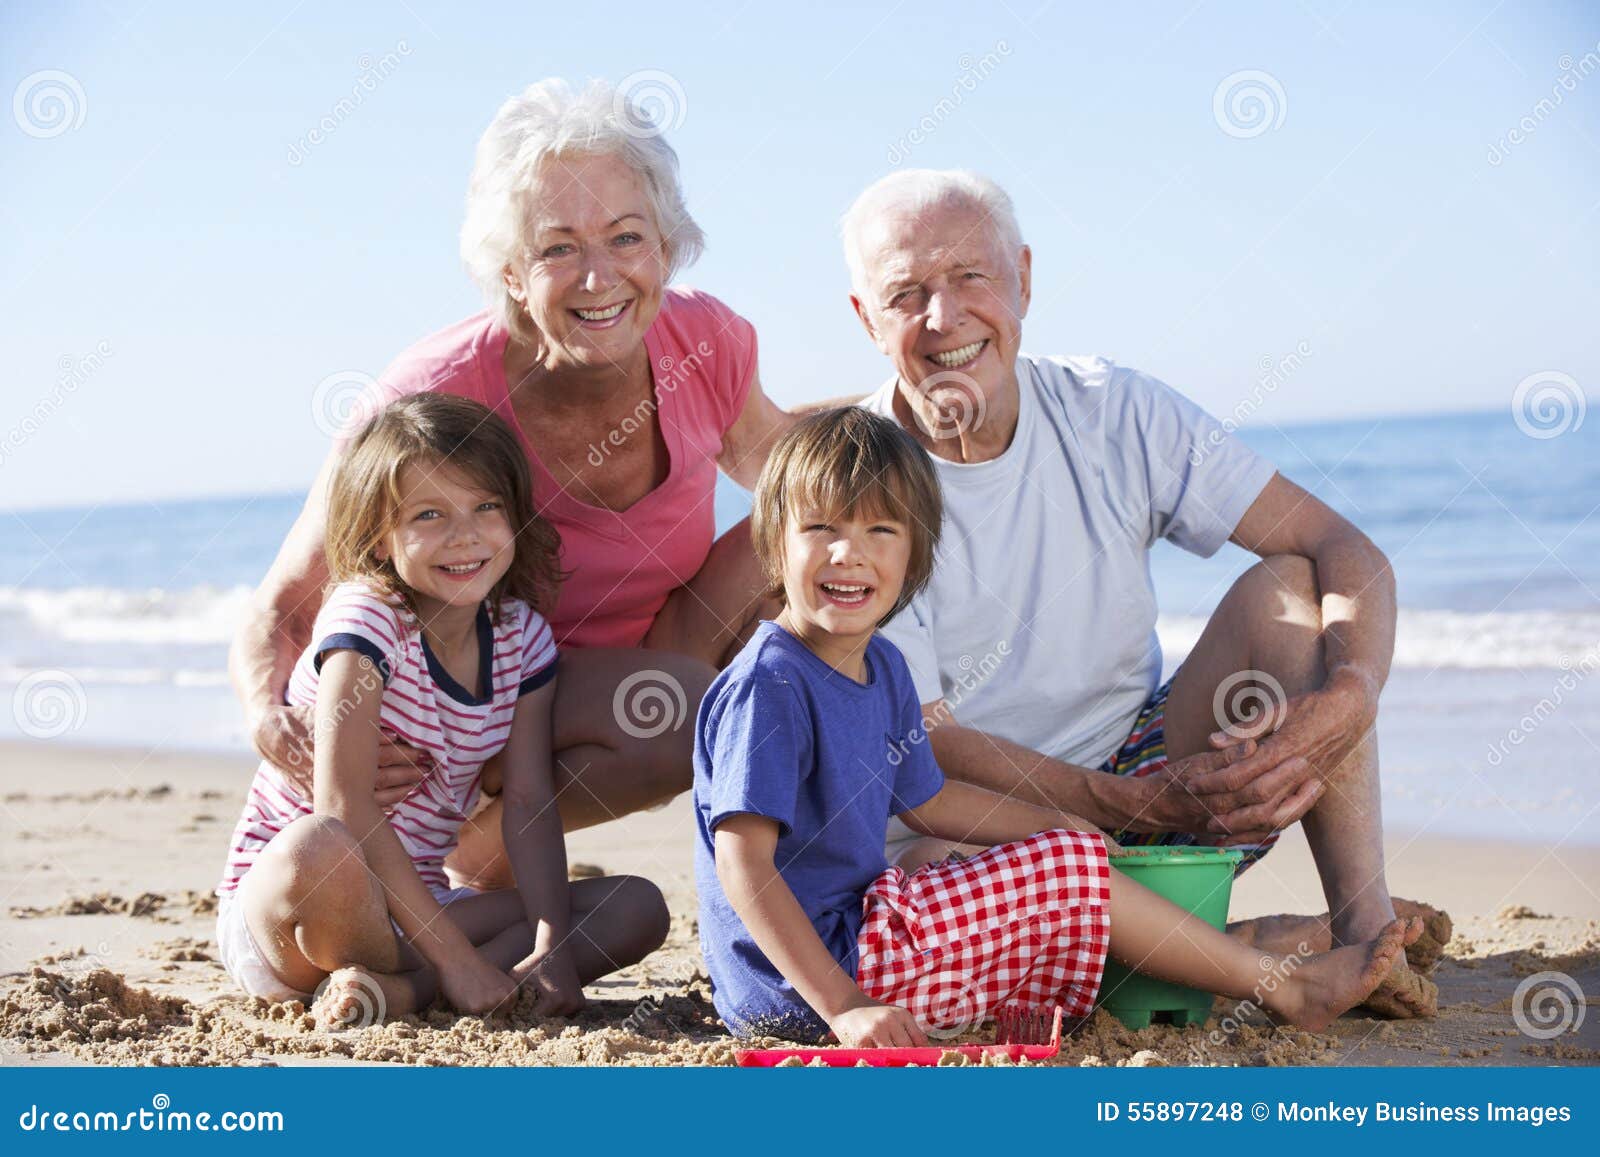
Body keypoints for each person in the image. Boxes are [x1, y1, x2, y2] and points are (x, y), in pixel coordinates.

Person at [840, 168, 1442, 1017]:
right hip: (971, 824)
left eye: (971, 276)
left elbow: (1342, 545)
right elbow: (926, 740)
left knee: (1294, 592)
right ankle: (1241, 946)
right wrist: (1111, 804)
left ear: (1024, 279)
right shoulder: (858, 484)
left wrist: (1353, 694)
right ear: (867, 319)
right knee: (934, 889)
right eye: (907, 293)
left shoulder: (1110, 409)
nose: (945, 318)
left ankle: (1360, 926)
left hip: (1145, 775)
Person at [231, 79, 812, 892]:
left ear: (667, 246)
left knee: (805, 523)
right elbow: (287, 602)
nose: (599, 277)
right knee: (681, 703)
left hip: (623, 671)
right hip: (469, 707)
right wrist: (273, 721)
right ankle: (477, 830)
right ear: (508, 268)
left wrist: (902, 415)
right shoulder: (430, 398)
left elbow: (791, 460)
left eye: (625, 237)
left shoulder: (704, 342)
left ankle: (817, 874)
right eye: (558, 247)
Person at [693, 407, 1421, 1044]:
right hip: (806, 985)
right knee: (1065, 878)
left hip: (864, 934)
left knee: (1060, 861)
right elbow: (744, 865)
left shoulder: (878, 665)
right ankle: (1287, 984)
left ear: (913, 555)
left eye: (879, 530)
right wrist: (845, 1004)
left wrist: (1058, 826)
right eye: (819, 527)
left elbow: (928, 799)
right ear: (773, 540)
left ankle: (1237, 946)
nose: (848, 553)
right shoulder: (771, 684)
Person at [216, 394, 668, 1027]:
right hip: (296, 912)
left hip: (418, 907)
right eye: (428, 515)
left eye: (486, 507)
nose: (465, 536)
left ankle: (397, 991)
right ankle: (435, 978)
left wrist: (549, 946)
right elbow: (343, 809)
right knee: (319, 845)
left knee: (635, 905)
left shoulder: (521, 638)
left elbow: (529, 801)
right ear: (378, 534)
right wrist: (459, 961)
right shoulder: (366, 620)